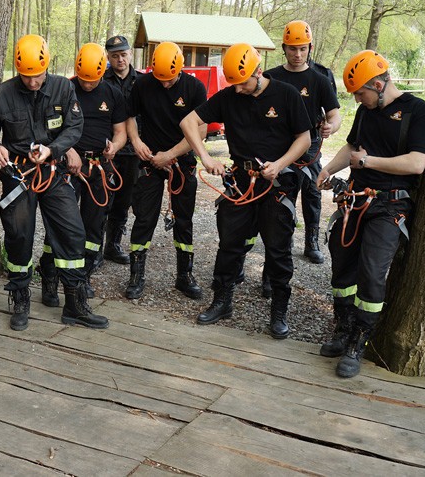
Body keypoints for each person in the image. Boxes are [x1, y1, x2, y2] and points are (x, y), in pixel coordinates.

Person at [0, 34, 109, 331]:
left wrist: (53, 149)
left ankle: (74, 303)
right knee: (19, 236)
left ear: (46, 66)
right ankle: (20, 297)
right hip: (18, 175)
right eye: (26, 76)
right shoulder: (2, 94)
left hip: (53, 172)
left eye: (37, 75)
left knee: (72, 231)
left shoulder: (63, 88)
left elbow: (74, 127)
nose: (32, 82)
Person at [180, 43, 312, 338]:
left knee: (278, 250)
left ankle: (279, 309)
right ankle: (223, 300)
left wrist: (280, 164)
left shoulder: (286, 95)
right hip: (240, 180)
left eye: (243, 83)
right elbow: (188, 121)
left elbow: (303, 138)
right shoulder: (229, 96)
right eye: (234, 84)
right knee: (229, 243)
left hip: (277, 184)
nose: (238, 90)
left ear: (258, 71)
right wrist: (205, 155)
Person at [317, 50, 425, 378]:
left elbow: (417, 163)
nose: (356, 99)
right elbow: (352, 148)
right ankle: (342, 328)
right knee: (341, 267)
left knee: (370, 274)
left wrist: (369, 163)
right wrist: (327, 169)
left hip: (390, 206)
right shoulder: (367, 111)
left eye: (361, 93)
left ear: (380, 84)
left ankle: (358, 341)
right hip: (355, 200)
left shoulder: (416, 112)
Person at [257, 20, 342, 297]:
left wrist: (332, 127)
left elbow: (334, 114)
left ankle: (311, 242)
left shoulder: (319, 79)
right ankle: (271, 272)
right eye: (292, 49)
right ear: (284, 48)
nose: (297, 54)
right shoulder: (271, 76)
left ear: (310, 48)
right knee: (279, 211)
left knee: (313, 196)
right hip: (278, 151)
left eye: (302, 49)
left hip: (309, 149)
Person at [39, 43, 127, 305]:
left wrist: (116, 146)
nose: (88, 85)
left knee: (93, 225)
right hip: (68, 167)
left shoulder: (112, 93)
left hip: (98, 167)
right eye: (84, 79)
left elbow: (120, 131)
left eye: (93, 80)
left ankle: (82, 277)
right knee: (61, 224)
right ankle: (49, 275)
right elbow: (51, 129)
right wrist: (68, 150)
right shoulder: (64, 89)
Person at [125, 41, 207, 301]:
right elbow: (129, 116)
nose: (165, 84)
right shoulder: (144, 84)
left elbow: (201, 131)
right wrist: (136, 141)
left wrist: (170, 155)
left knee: (184, 219)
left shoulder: (194, 88)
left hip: (180, 161)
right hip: (150, 161)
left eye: (169, 80)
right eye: (160, 79)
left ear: (180, 70)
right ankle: (136, 275)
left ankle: (184, 275)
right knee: (144, 218)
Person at [101, 35, 141, 265]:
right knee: (104, 200)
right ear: (108, 57)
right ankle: (95, 249)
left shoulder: (142, 81)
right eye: (115, 56)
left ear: (129, 54)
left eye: (123, 55)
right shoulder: (102, 79)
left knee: (124, 202)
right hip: (109, 150)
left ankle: (113, 245)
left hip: (132, 153)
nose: (120, 60)